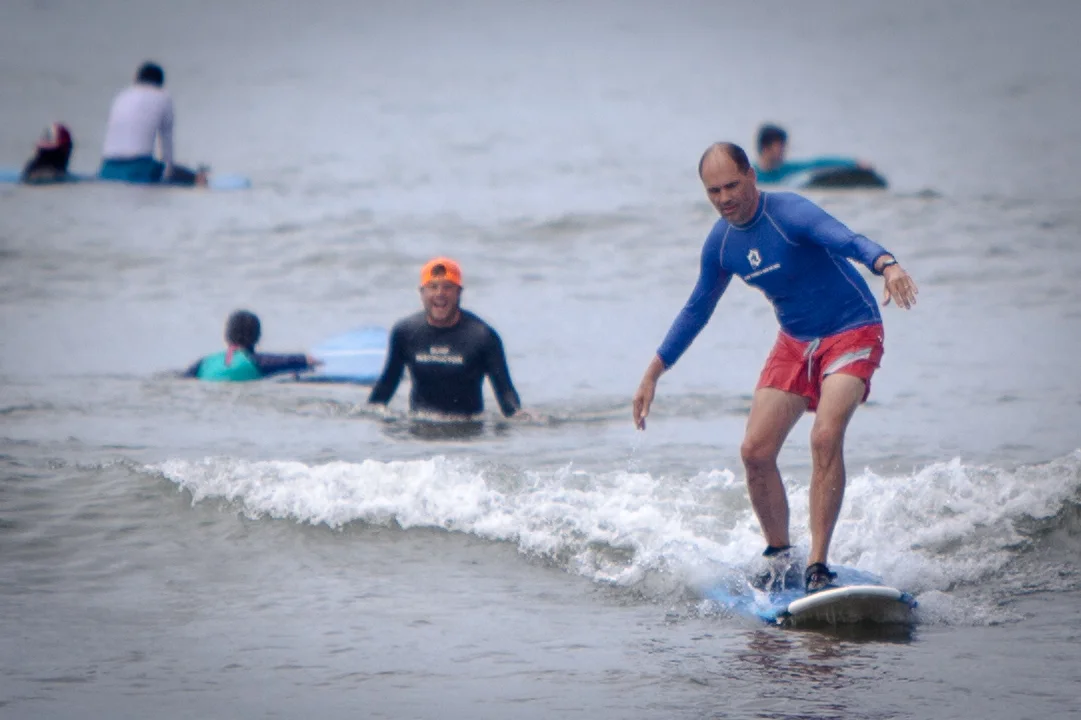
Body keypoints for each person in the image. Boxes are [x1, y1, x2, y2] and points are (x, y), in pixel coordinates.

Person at [632, 142, 918, 593]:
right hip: (795, 341)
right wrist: (654, 371)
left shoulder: (790, 213)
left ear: (752, 175)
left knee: (824, 436)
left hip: (852, 329)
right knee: (755, 451)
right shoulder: (721, 243)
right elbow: (697, 309)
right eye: (713, 191)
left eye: (731, 185)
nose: (724, 198)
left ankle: (818, 567)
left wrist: (888, 265)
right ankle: (780, 556)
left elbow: (847, 240)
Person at [368, 257, 523, 419]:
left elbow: (505, 393)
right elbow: (386, 386)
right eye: (433, 287)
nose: (440, 294)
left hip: (468, 428)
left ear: (459, 292)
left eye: (448, 287)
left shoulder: (482, 336)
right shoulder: (405, 332)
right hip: (418, 428)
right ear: (422, 293)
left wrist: (520, 417)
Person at [99, 61, 206, 186]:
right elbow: (167, 149)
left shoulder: (122, 96)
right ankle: (200, 179)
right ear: (161, 83)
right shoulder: (163, 97)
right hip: (138, 169)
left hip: (107, 168)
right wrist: (175, 175)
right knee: (191, 177)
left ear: (136, 79)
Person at [182, 310, 320, 382]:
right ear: (258, 337)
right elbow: (301, 361)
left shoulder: (204, 363)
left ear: (226, 336)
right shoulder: (259, 362)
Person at [753, 123, 870, 185]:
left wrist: (853, 163)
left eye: (784, 147)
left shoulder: (787, 169)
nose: (784, 152)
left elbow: (817, 163)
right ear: (765, 148)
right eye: (780, 148)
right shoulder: (750, 175)